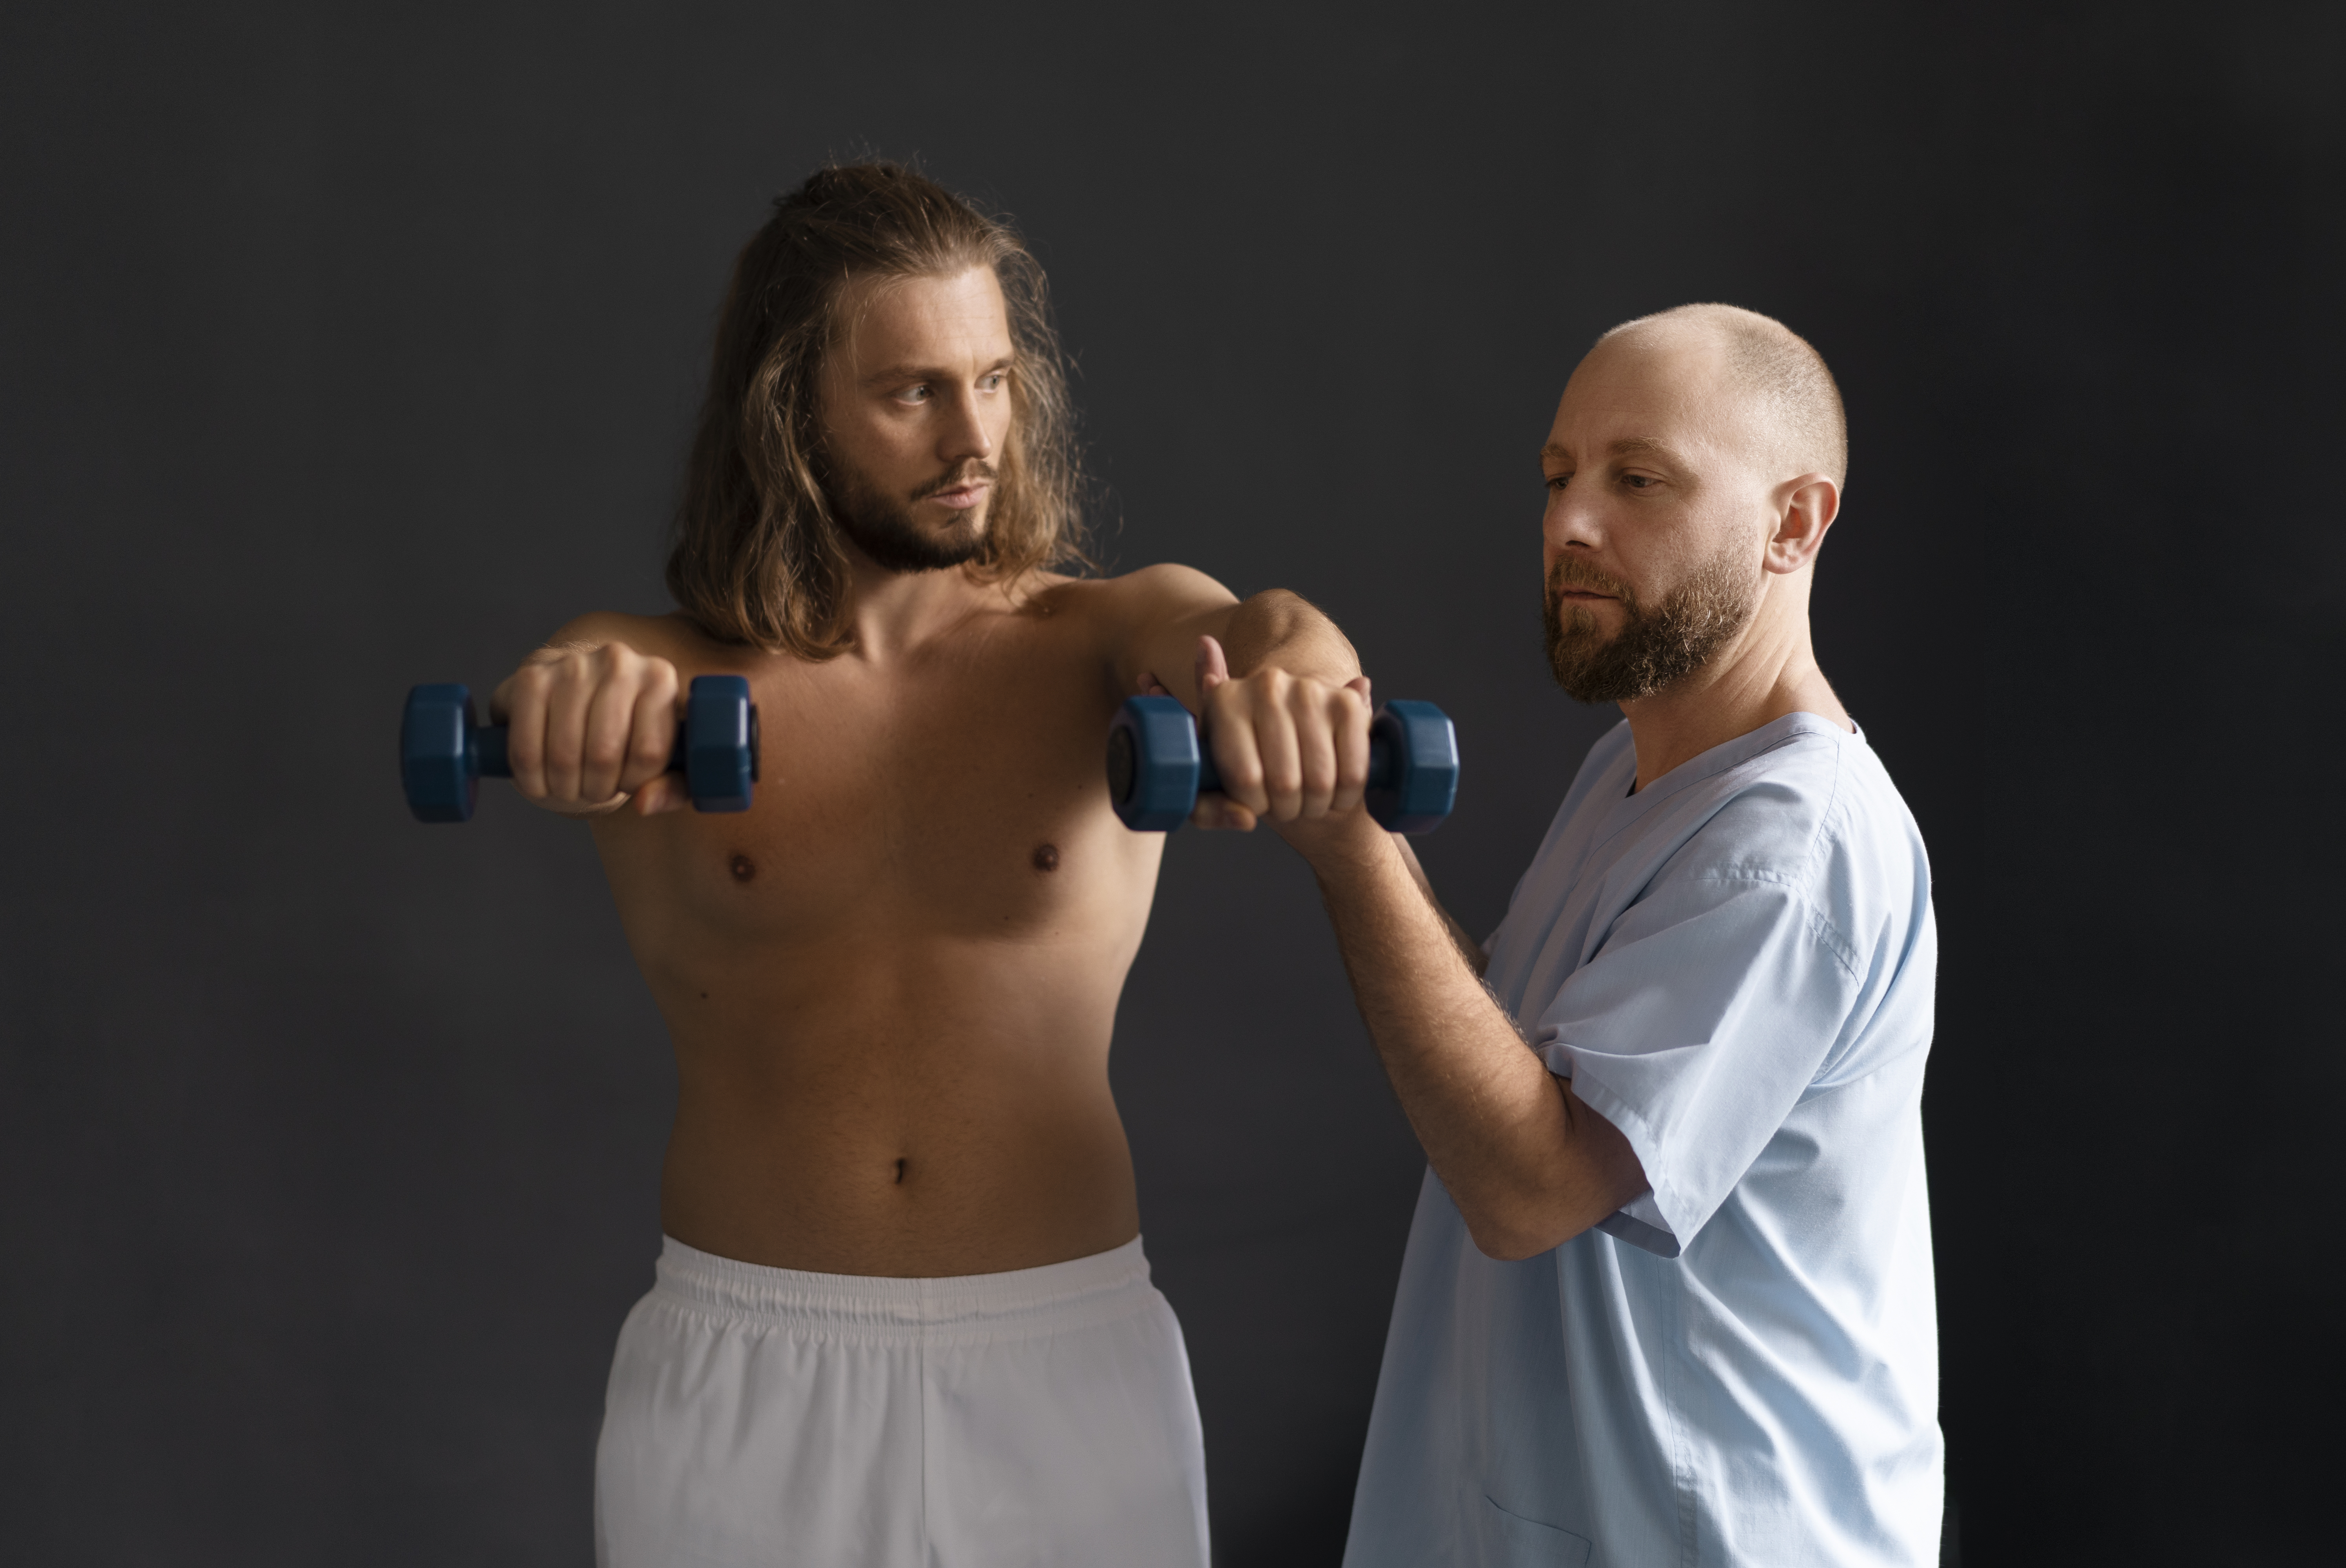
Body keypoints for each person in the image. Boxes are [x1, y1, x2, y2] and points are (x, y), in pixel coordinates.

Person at [489, 162, 1373, 1568]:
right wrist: (564, 702)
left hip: (1064, 1365)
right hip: (748, 1372)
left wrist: (1305, 685)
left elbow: (1261, 629)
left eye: (997, 381)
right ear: (792, 415)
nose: (976, 439)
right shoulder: (659, 674)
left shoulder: (1099, 642)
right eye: (914, 393)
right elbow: (568, 675)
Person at [1260, 304, 1942, 1565]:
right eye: (1559, 476)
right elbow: (1520, 1073)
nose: (1571, 522)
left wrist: (1351, 849)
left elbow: (1533, 1186)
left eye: (1639, 479)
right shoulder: (1632, 773)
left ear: (1793, 523)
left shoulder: (1791, 847)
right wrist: (1354, 823)